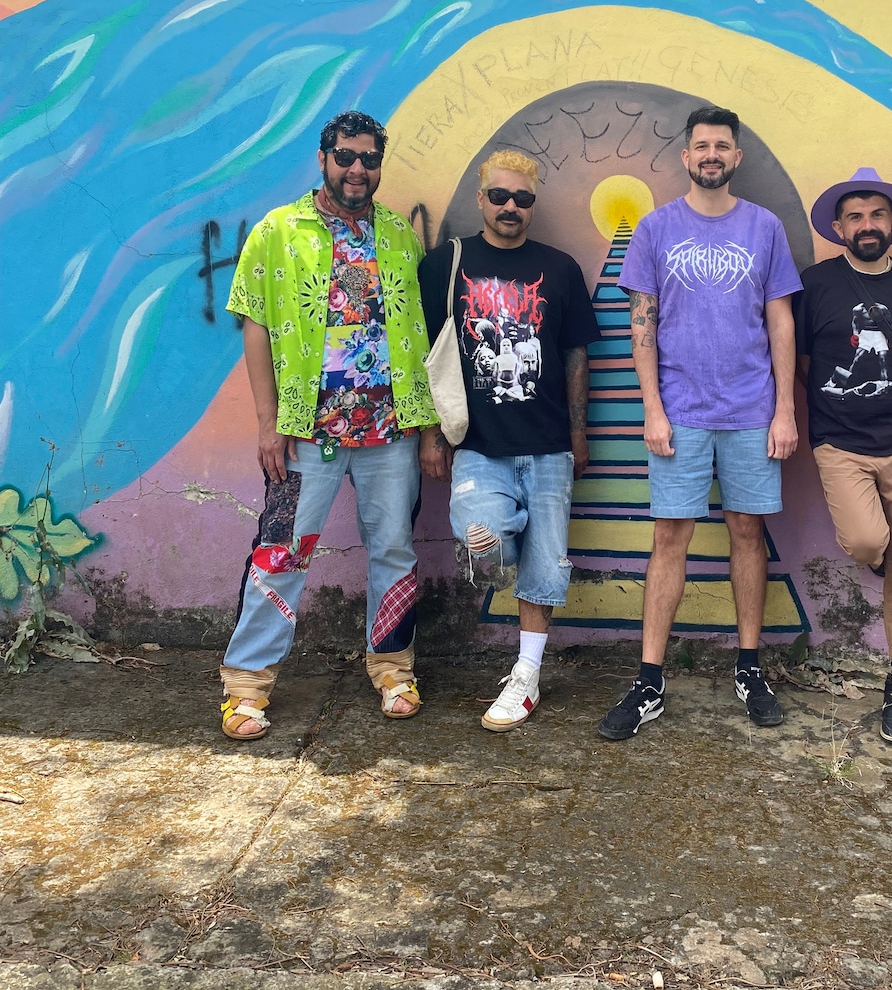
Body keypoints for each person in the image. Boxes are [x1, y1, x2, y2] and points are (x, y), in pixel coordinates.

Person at [219, 111, 442, 740]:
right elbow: (256, 325)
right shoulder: (278, 231)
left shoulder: (398, 235)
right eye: (345, 156)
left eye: (369, 159)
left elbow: (419, 333)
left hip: (390, 429)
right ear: (323, 159)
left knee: (393, 550)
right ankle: (246, 686)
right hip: (305, 431)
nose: (357, 169)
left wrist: (428, 425)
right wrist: (268, 424)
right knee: (281, 550)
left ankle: (394, 670)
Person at [599, 106, 803, 741]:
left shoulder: (764, 227)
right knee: (670, 537)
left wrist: (785, 410)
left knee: (748, 532)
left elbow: (780, 321)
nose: (712, 154)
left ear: (736, 156)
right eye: (701, 146)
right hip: (680, 412)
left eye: (722, 145)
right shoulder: (656, 228)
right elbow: (642, 324)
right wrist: (652, 410)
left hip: (751, 410)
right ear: (686, 157)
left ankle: (749, 668)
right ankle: (649, 680)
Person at [418, 150, 600, 731]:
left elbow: (575, 355)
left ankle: (526, 675)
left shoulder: (560, 268)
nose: (510, 207)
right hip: (478, 443)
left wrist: (578, 432)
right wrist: (431, 435)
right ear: (481, 198)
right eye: (499, 196)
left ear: (532, 204)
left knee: (546, 563)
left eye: (522, 198)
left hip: (548, 444)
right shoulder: (445, 264)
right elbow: (425, 354)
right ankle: (498, 548)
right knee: (484, 535)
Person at [797, 166, 892, 744]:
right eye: (855, 216)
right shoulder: (815, 284)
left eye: (877, 215)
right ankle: (881, 553)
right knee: (866, 542)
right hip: (838, 439)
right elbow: (801, 358)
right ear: (838, 227)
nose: (867, 225)